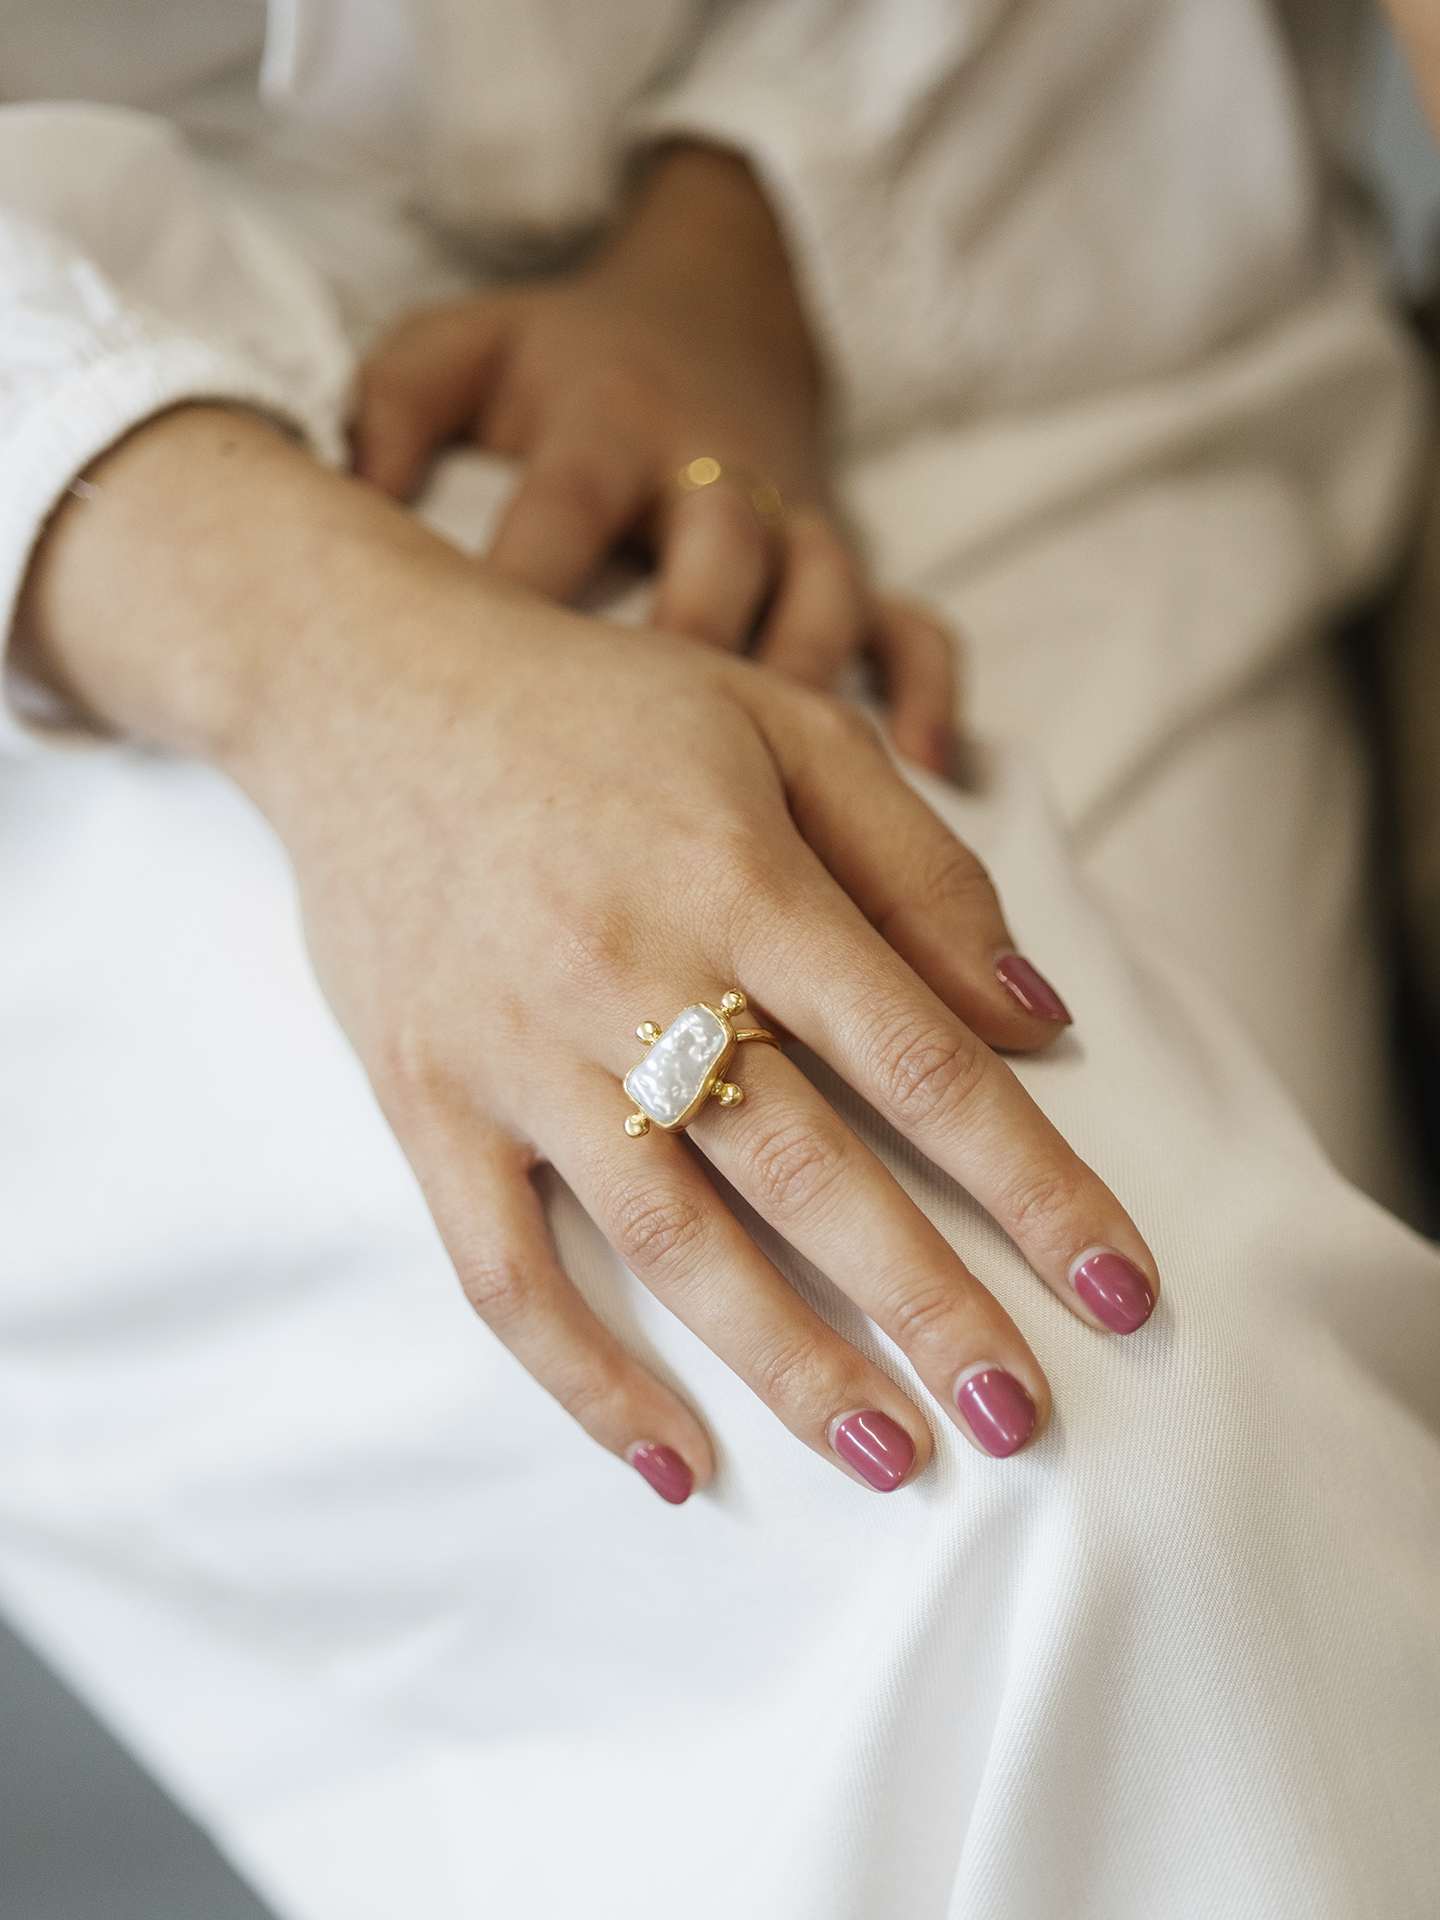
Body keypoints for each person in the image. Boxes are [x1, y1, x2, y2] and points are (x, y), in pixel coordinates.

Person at [0, 2, 1437, 1915]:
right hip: (112, 541)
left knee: (1233, 1456)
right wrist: (324, 662)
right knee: (1089, 1478)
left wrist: (747, 244)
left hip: (1011, 226)